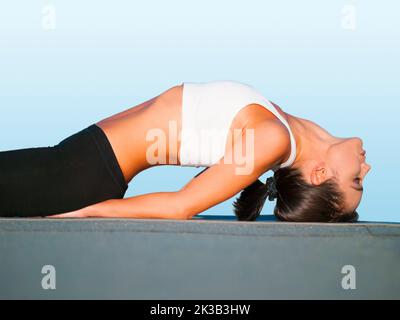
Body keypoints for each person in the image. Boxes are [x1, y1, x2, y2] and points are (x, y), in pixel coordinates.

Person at [0, 80, 371, 222]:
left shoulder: (273, 139)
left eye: (356, 180)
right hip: (80, 162)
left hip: (79, 176)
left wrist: (85, 212)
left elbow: (182, 206)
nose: (366, 170)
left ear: (320, 174)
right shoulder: (284, 129)